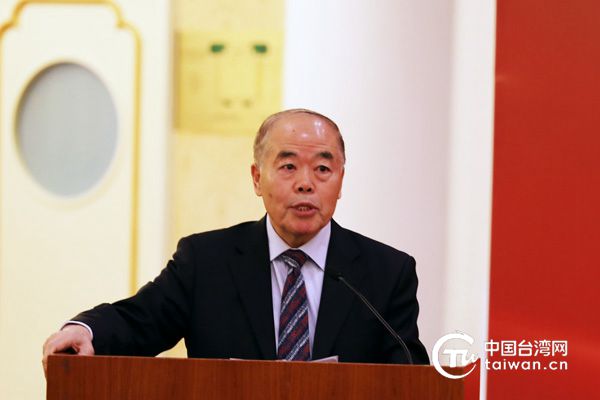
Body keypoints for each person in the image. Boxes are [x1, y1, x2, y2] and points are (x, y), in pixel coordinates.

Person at [42, 109, 429, 375]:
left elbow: (409, 375)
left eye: (323, 168)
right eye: (288, 166)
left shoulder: (386, 273)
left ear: (341, 181)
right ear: (257, 178)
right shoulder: (206, 261)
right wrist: (85, 330)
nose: (306, 183)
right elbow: (140, 320)